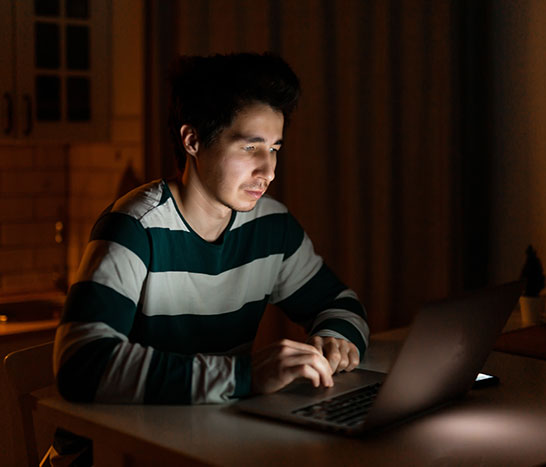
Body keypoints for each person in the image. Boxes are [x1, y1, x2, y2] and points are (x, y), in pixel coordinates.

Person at [48, 52, 369, 464]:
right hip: (112, 453)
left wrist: (337, 338)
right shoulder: (134, 226)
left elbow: (342, 303)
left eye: (274, 148)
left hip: (206, 441)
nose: (268, 170)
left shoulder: (271, 227)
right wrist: (246, 376)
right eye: (250, 147)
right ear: (192, 140)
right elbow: (81, 364)